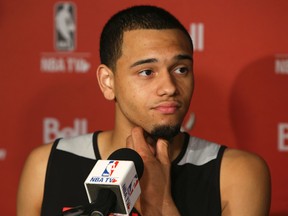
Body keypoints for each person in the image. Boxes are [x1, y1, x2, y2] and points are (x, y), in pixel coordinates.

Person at [17, 5, 271, 216]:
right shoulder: (48, 165)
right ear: (108, 81)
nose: (170, 87)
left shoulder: (237, 174)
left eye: (181, 69)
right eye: (147, 72)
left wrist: (161, 207)